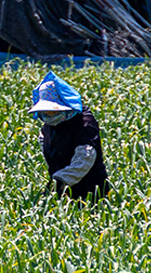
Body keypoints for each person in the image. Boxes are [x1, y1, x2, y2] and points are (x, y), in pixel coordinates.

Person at [29, 71, 110, 200]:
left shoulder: (84, 123)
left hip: (90, 190)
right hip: (63, 189)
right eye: (45, 111)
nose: (48, 115)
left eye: (52, 111)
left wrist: (61, 180)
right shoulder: (49, 124)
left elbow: (85, 159)